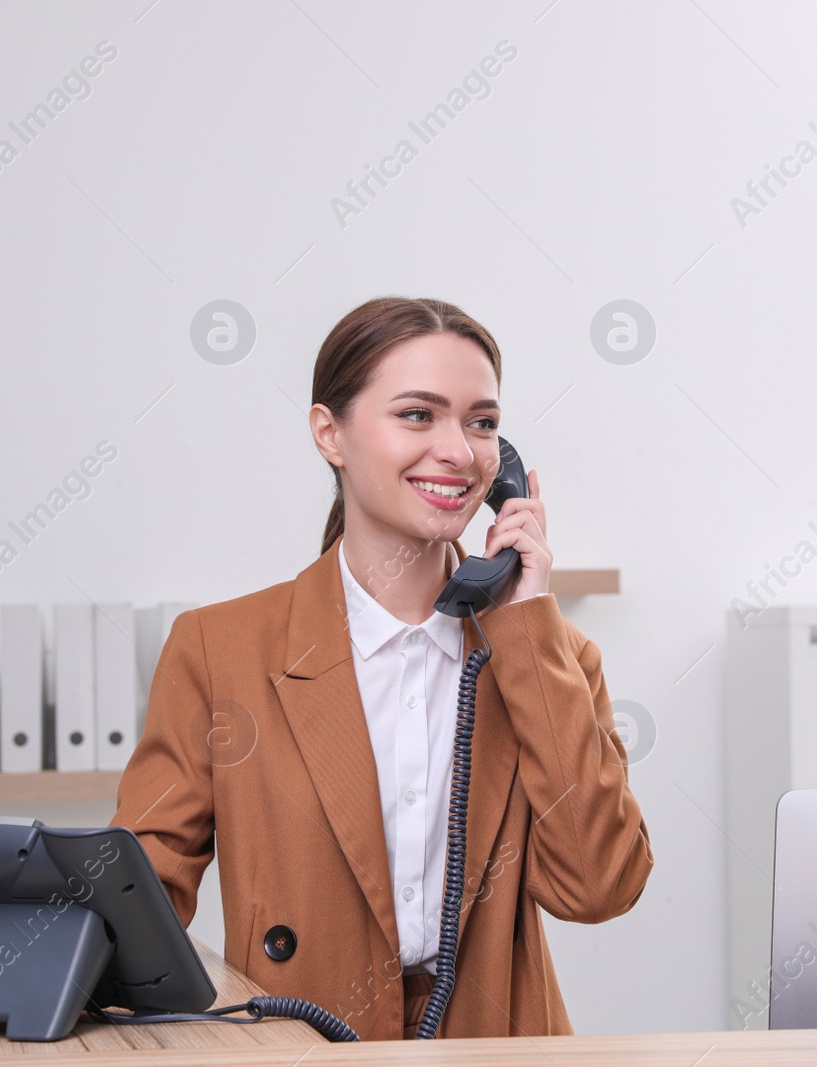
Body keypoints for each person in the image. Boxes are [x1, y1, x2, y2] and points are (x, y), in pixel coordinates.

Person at [110, 296, 652, 1040]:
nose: (460, 452)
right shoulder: (217, 649)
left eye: (483, 422)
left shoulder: (547, 656)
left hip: (496, 1047)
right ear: (329, 432)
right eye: (418, 415)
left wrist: (525, 624)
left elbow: (600, 887)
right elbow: (139, 898)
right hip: (299, 1042)